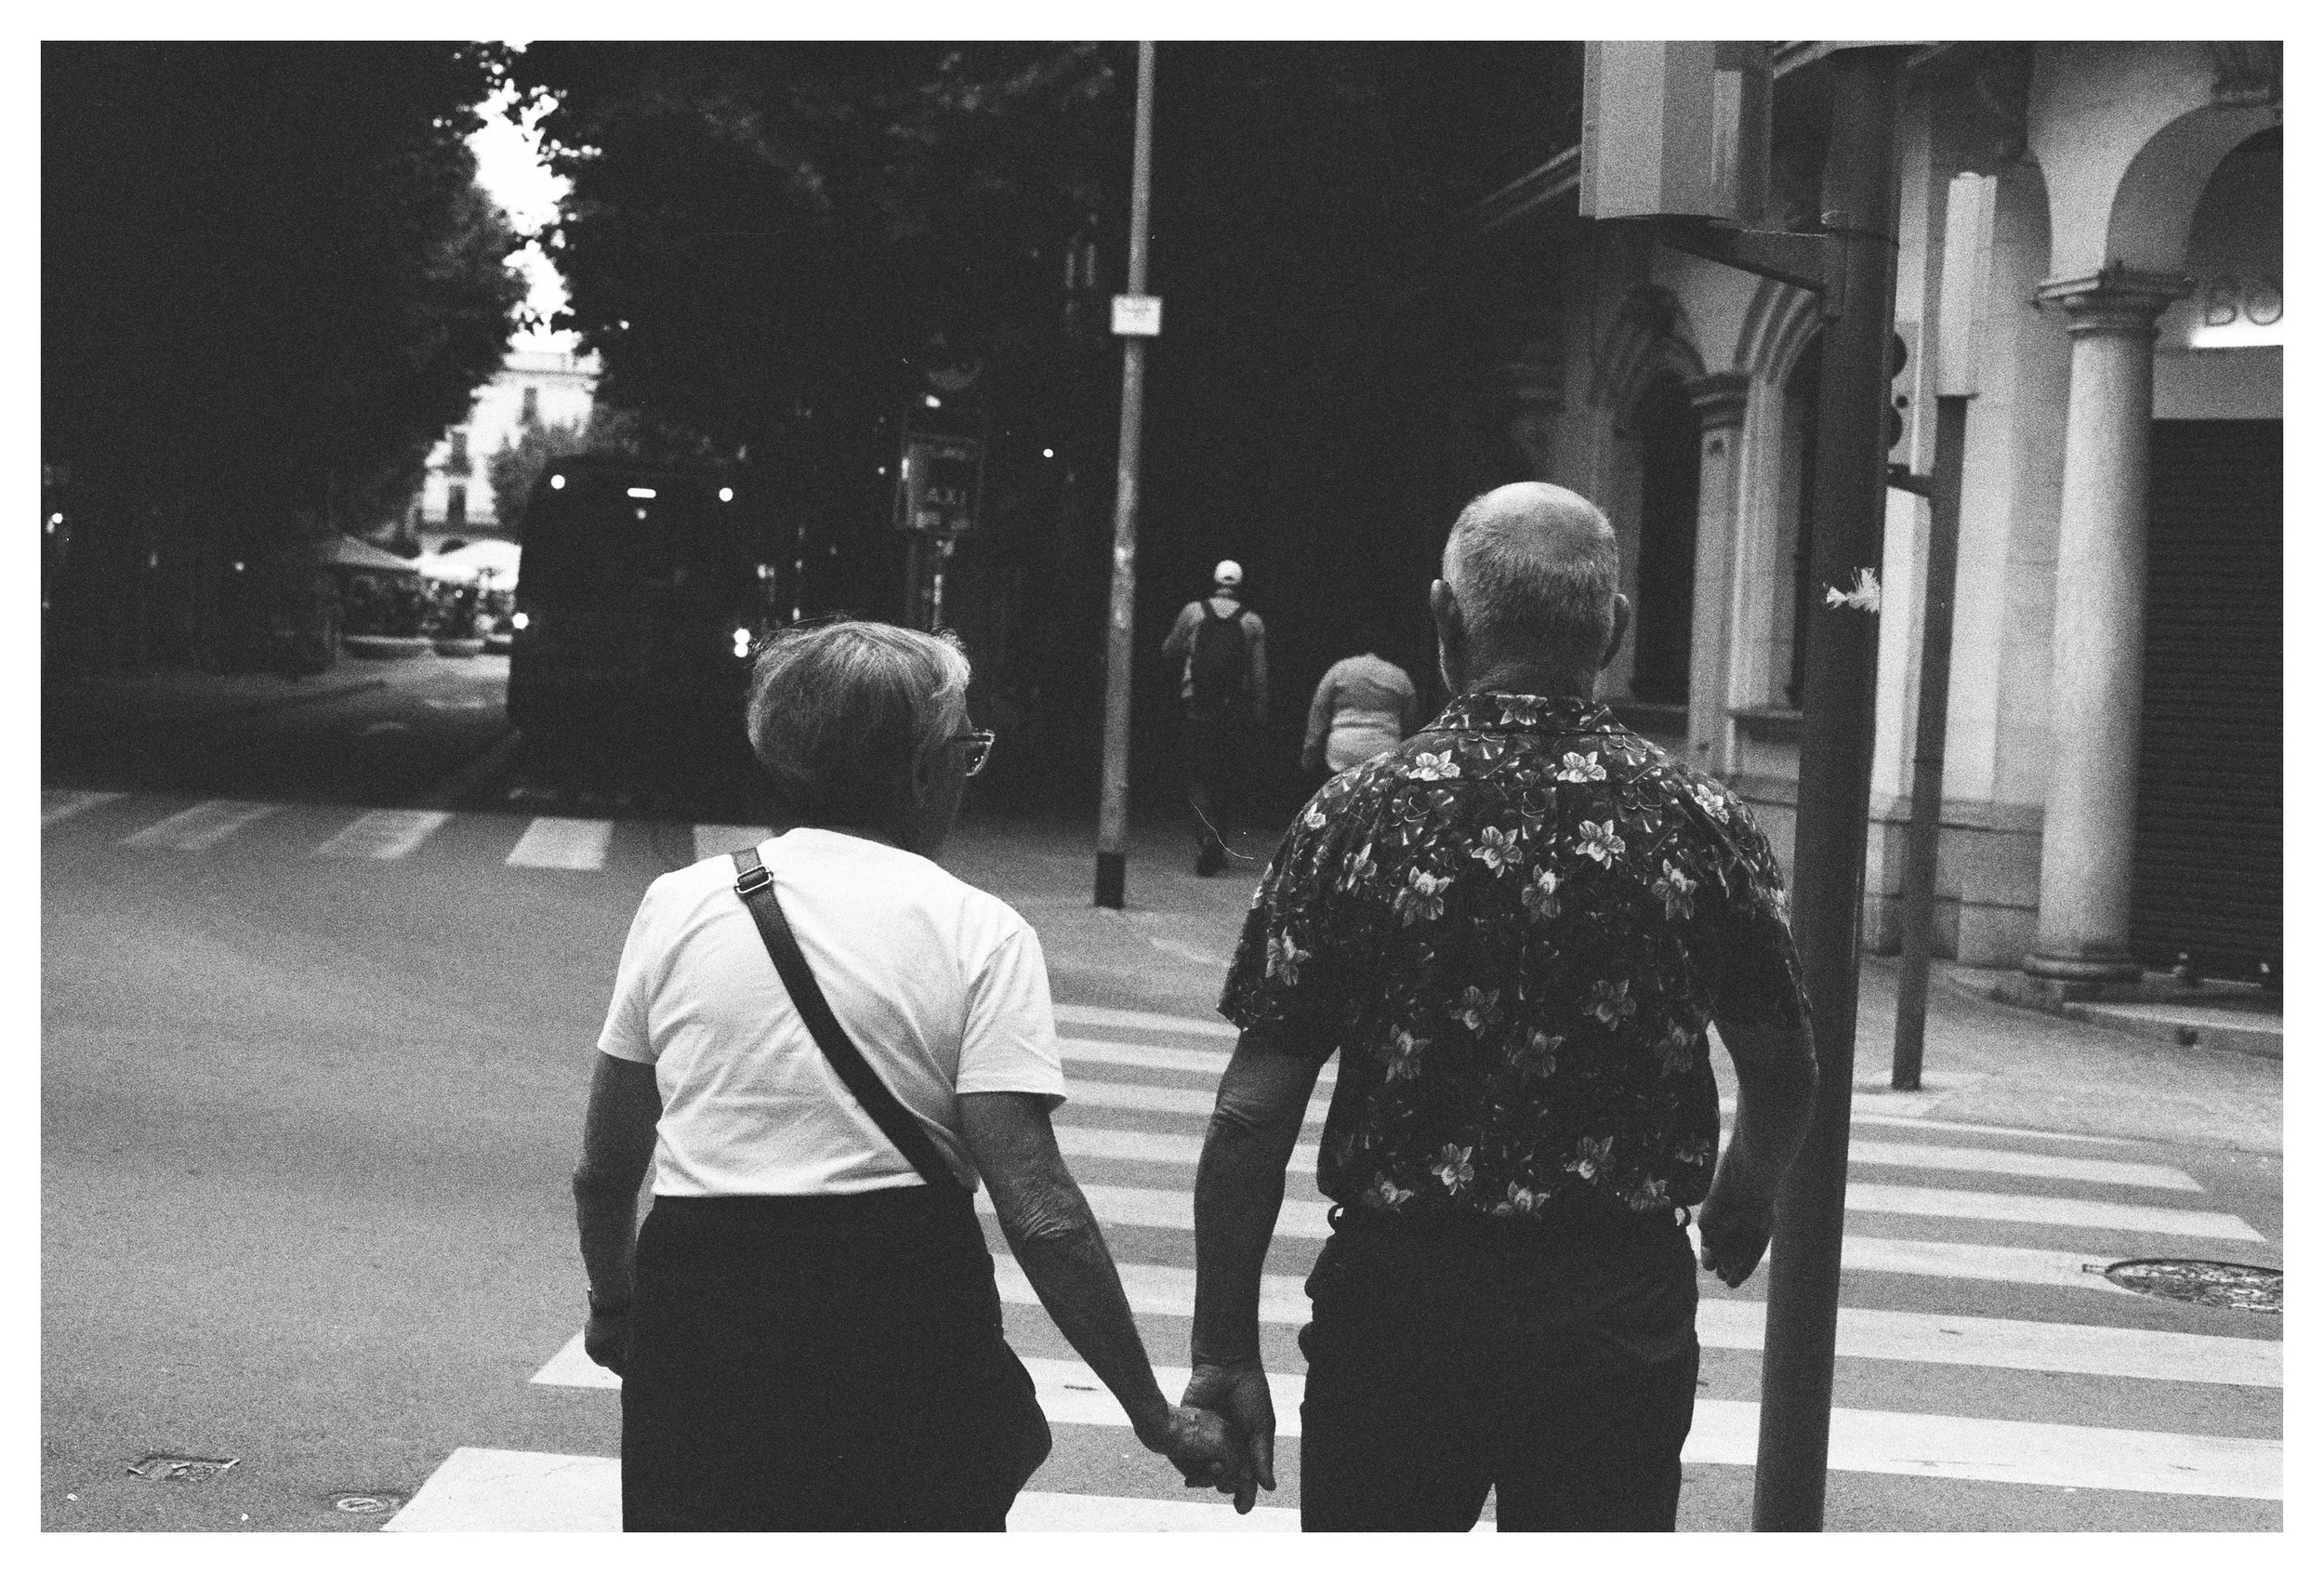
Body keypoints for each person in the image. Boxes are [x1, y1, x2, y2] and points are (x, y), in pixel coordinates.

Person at [1182, 482, 1819, 1531]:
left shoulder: (1359, 813)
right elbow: (1784, 1070)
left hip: (1400, 1312)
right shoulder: (1700, 821)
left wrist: (1221, 1354)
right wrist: (1742, 1201)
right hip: (1616, 1317)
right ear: (1611, 632)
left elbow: (1251, 1113)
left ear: (1445, 620)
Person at [574, 617, 1246, 1530]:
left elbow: (606, 1169)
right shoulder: (979, 931)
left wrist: (617, 1307)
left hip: (704, 1307)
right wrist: (1155, 1418)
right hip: (900, 1311)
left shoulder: (679, 904)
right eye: (965, 749)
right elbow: (1041, 1211)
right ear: (923, 770)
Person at [1160, 560, 1269, 875]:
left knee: (1197, 777)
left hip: (1197, 710)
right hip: (1233, 713)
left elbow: (1169, 649)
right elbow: (1260, 675)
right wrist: (1260, 713)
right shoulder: (1252, 622)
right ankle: (1220, 843)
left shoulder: (1194, 612)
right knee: (1226, 778)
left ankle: (1206, 836)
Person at [1300, 646, 1418, 782]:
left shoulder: (1339, 670)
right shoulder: (1399, 675)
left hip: (1343, 751)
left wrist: (1310, 749)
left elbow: (1319, 709)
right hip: (1384, 750)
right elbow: (1411, 723)